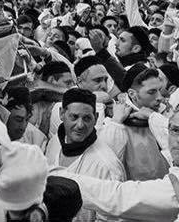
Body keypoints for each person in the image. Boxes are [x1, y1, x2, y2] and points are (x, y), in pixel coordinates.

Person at [45, 88, 124, 222]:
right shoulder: (54, 144)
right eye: (74, 117)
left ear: (96, 118)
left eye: (87, 118)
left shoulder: (106, 166)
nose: (80, 125)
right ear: (61, 114)